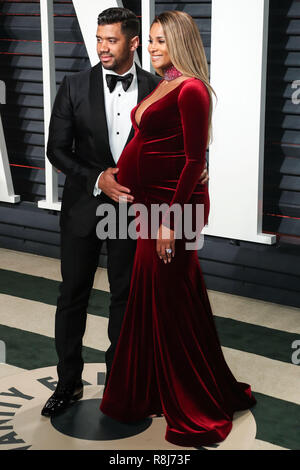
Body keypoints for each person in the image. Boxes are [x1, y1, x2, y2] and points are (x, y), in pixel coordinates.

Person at [40, 7, 210, 417]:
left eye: (111, 40)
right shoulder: (74, 85)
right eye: (99, 39)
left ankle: (121, 383)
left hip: (134, 212)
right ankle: (67, 384)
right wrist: (99, 178)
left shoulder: (162, 87)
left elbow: (181, 149)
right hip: (85, 208)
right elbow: (56, 150)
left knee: (126, 298)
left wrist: (197, 175)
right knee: (72, 296)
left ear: (133, 43)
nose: (102, 47)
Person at [99, 11, 257, 447]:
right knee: (159, 300)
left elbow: (193, 160)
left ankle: (195, 402)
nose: (151, 47)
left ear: (181, 42)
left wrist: (171, 219)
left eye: (161, 41)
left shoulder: (191, 90)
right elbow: (151, 141)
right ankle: (152, 390)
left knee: (171, 304)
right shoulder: (166, 83)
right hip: (150, 207)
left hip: (173, 213)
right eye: (149, 40)